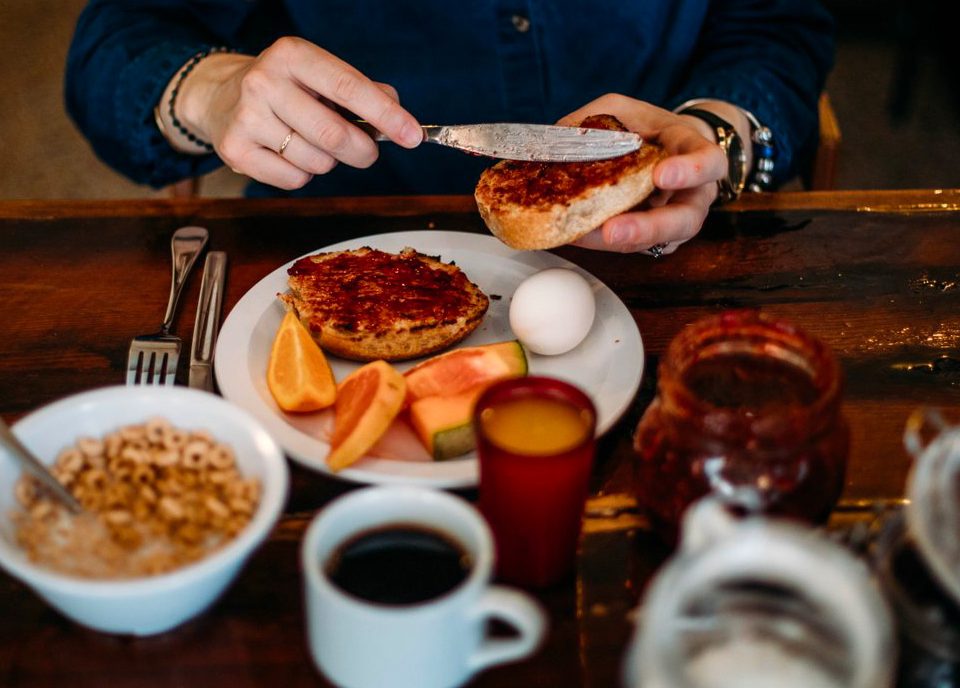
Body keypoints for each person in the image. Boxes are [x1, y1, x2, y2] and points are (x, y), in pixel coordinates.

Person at [65, 1, 834, 255]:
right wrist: (211, 90)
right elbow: (114, 45)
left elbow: (779, 25)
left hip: (673, 259)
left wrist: (717, 137)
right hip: (337, 249)